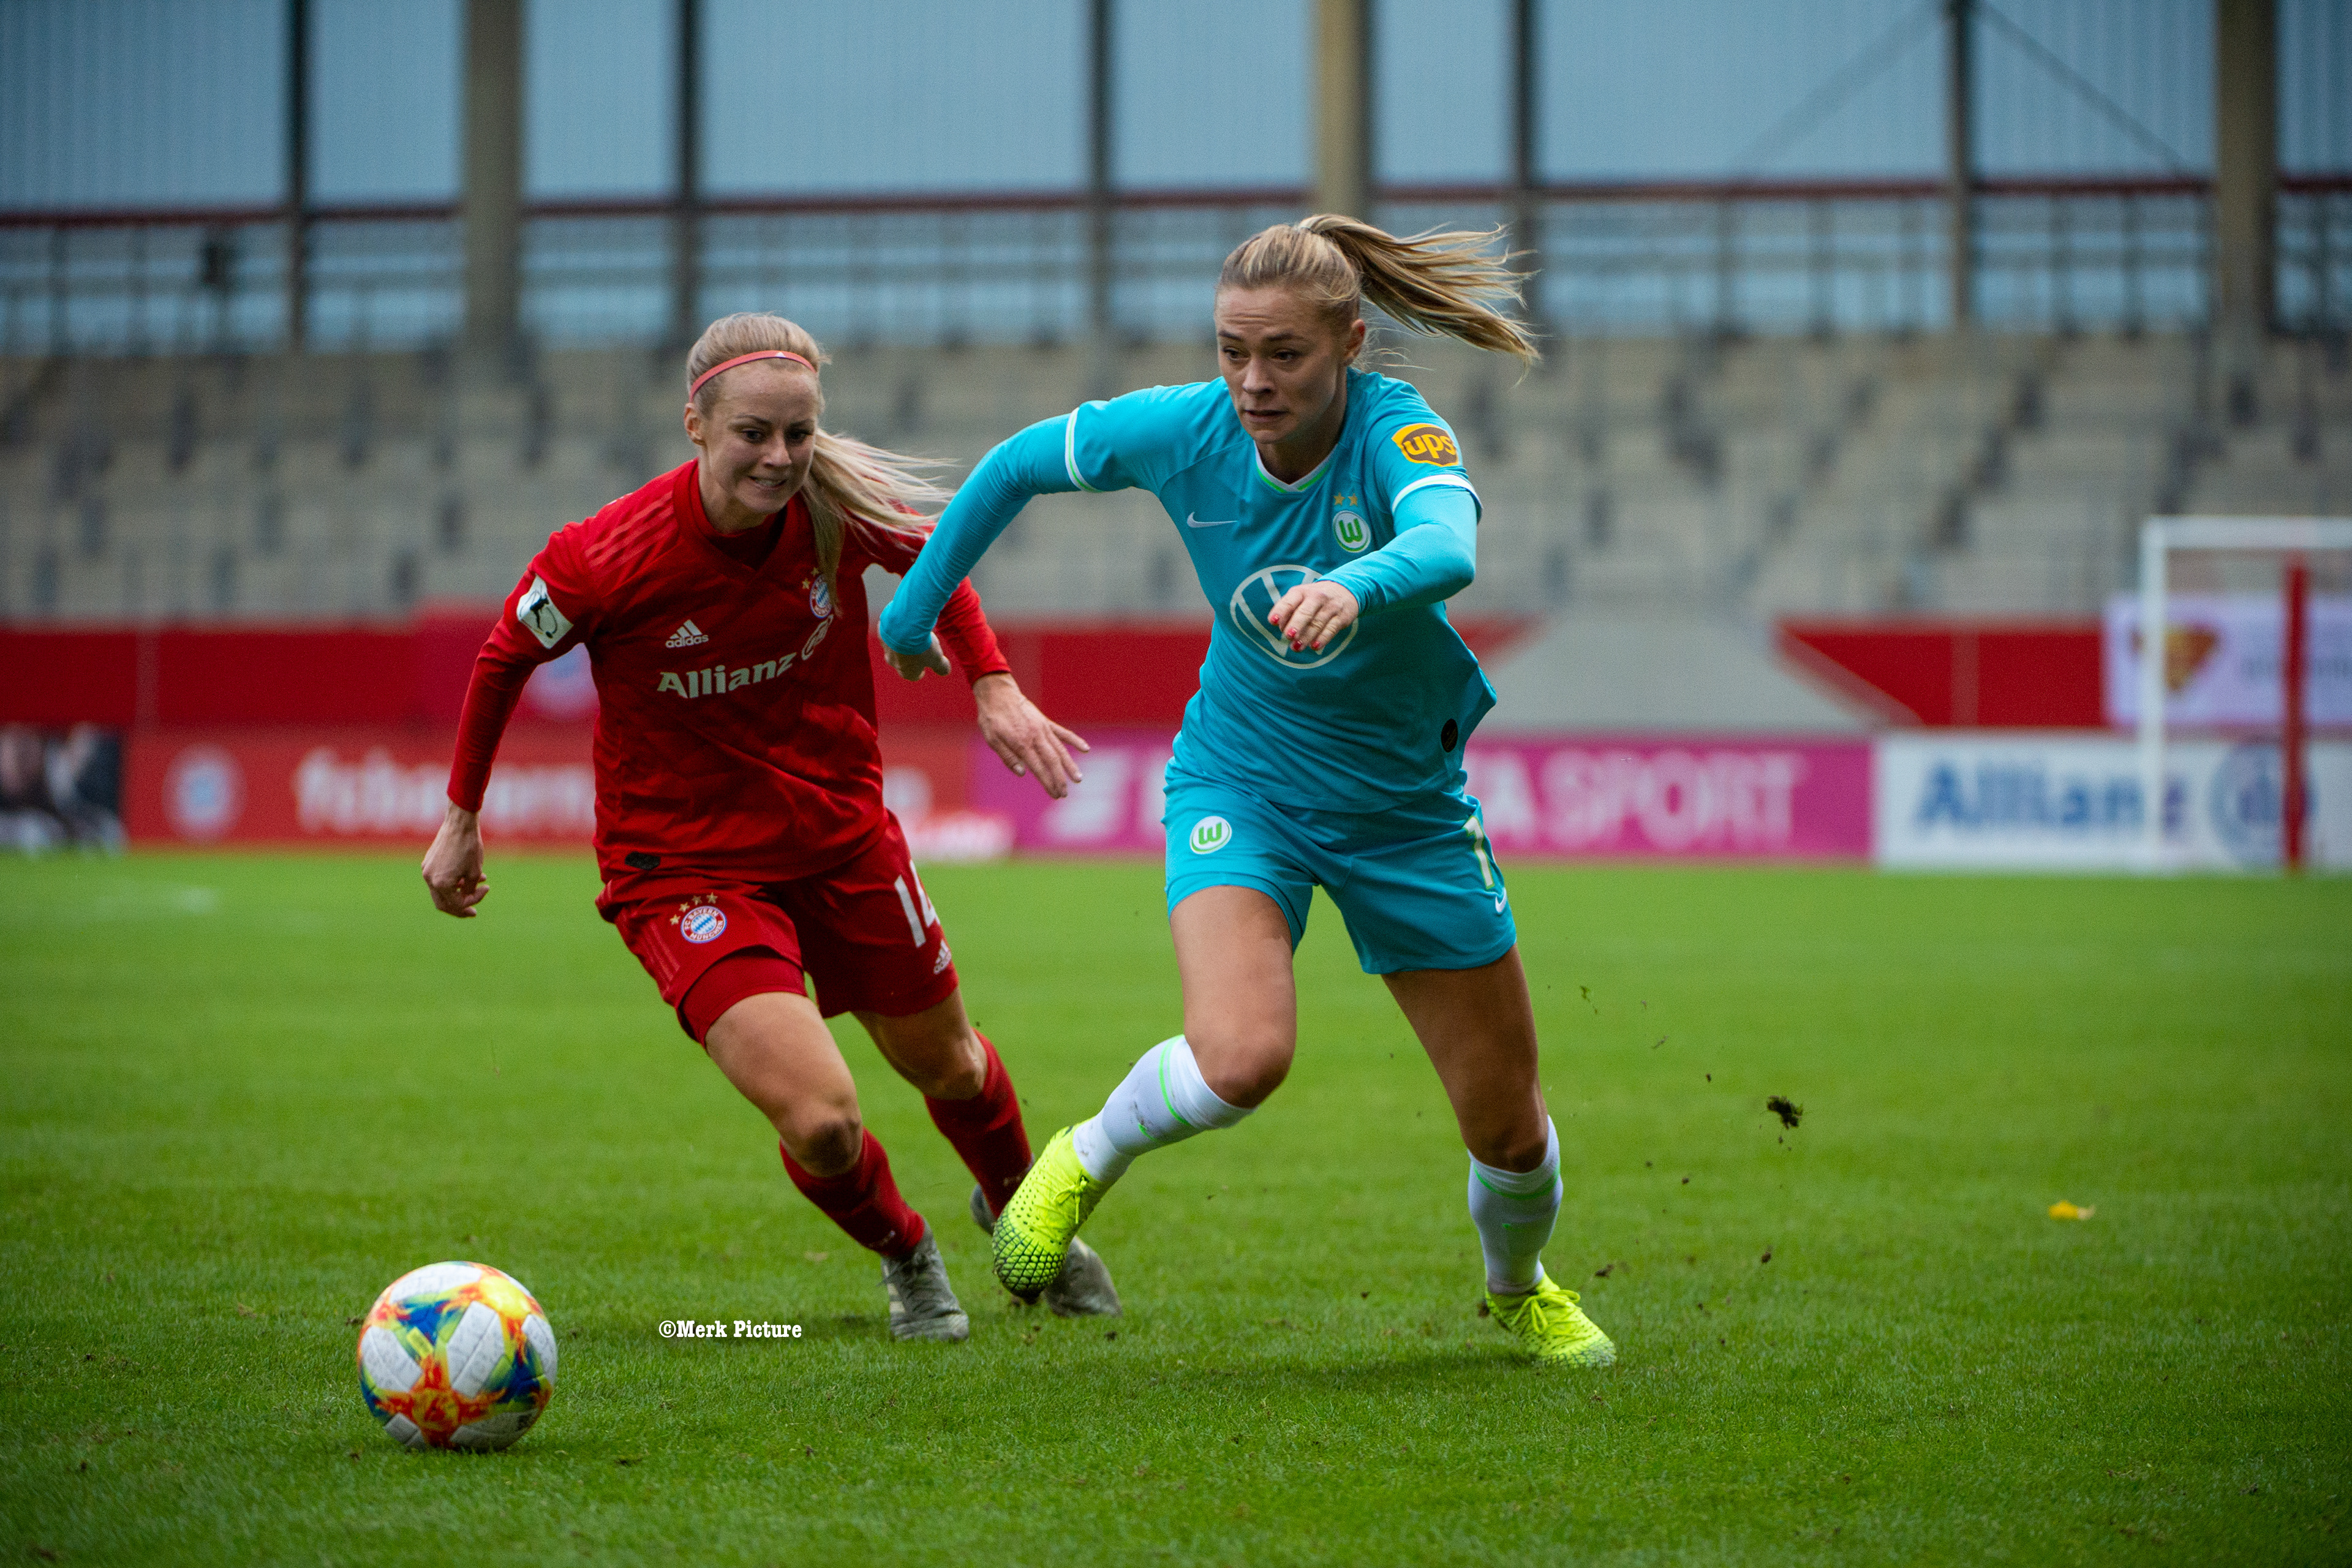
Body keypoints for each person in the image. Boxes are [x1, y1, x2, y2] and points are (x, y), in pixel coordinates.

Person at [879, 216, 1613, 1366]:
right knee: (1241, 1058)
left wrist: (1360, 585)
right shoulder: (1188, 428)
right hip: (1243, 779)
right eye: (1232, 352)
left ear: (1350, 344)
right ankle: (1079, 1160)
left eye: (1284, 355)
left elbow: (1447, 545)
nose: (1254, 382)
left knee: (1511, 1132)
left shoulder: (1398, 430)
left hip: (1405, 813)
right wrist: (915, 607)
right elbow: (1018, 463)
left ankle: (1518, 1288)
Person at [421, 312, 1119, 1342]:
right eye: (754, 433)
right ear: (696, 424)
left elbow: (939, 566)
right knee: (824, 1120)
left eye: (800, 433)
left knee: (954, 1067)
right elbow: (503, 656)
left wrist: (994, 683)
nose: (781, 458)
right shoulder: (605, 556)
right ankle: (906, 1252)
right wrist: (462, 817)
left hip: (841, 834)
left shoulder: (834, 509)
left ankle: (1027, 1218)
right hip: (685, 869)